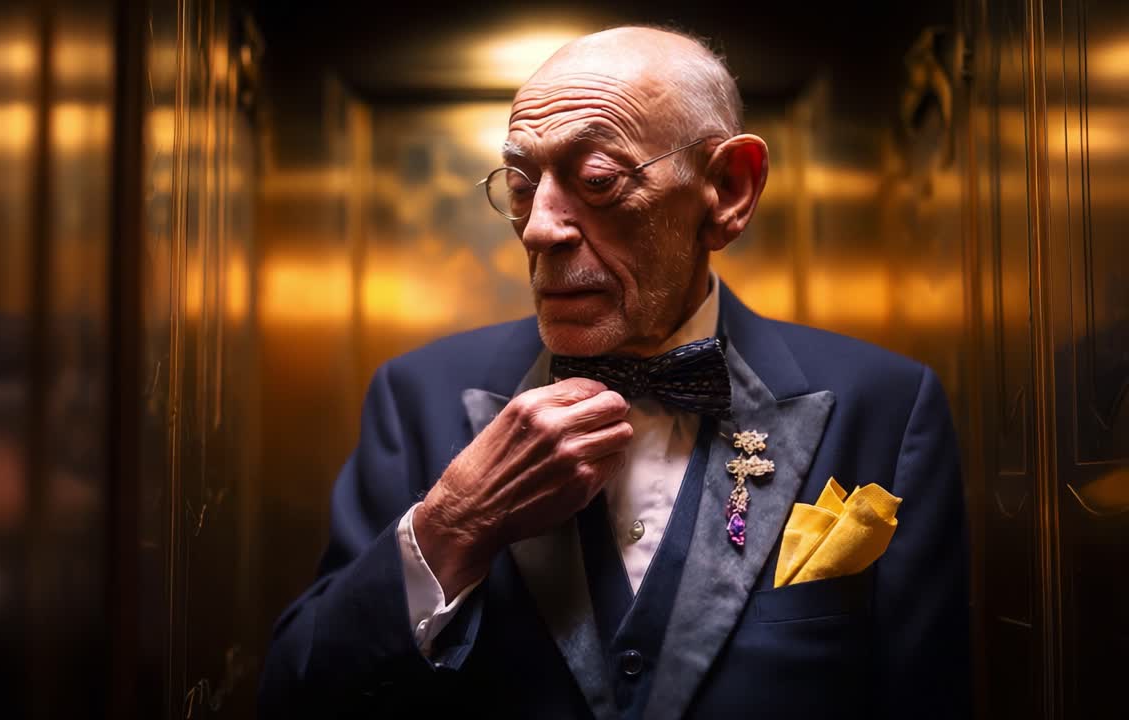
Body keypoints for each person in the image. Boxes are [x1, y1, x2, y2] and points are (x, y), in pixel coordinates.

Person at [258, 25, 970, 720]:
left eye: (597, 179)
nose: (539, 228)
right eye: (520, 183)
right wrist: (454, 524)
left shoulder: (887, 406)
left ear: (727, 189)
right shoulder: (416, 396)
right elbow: (296, 695)